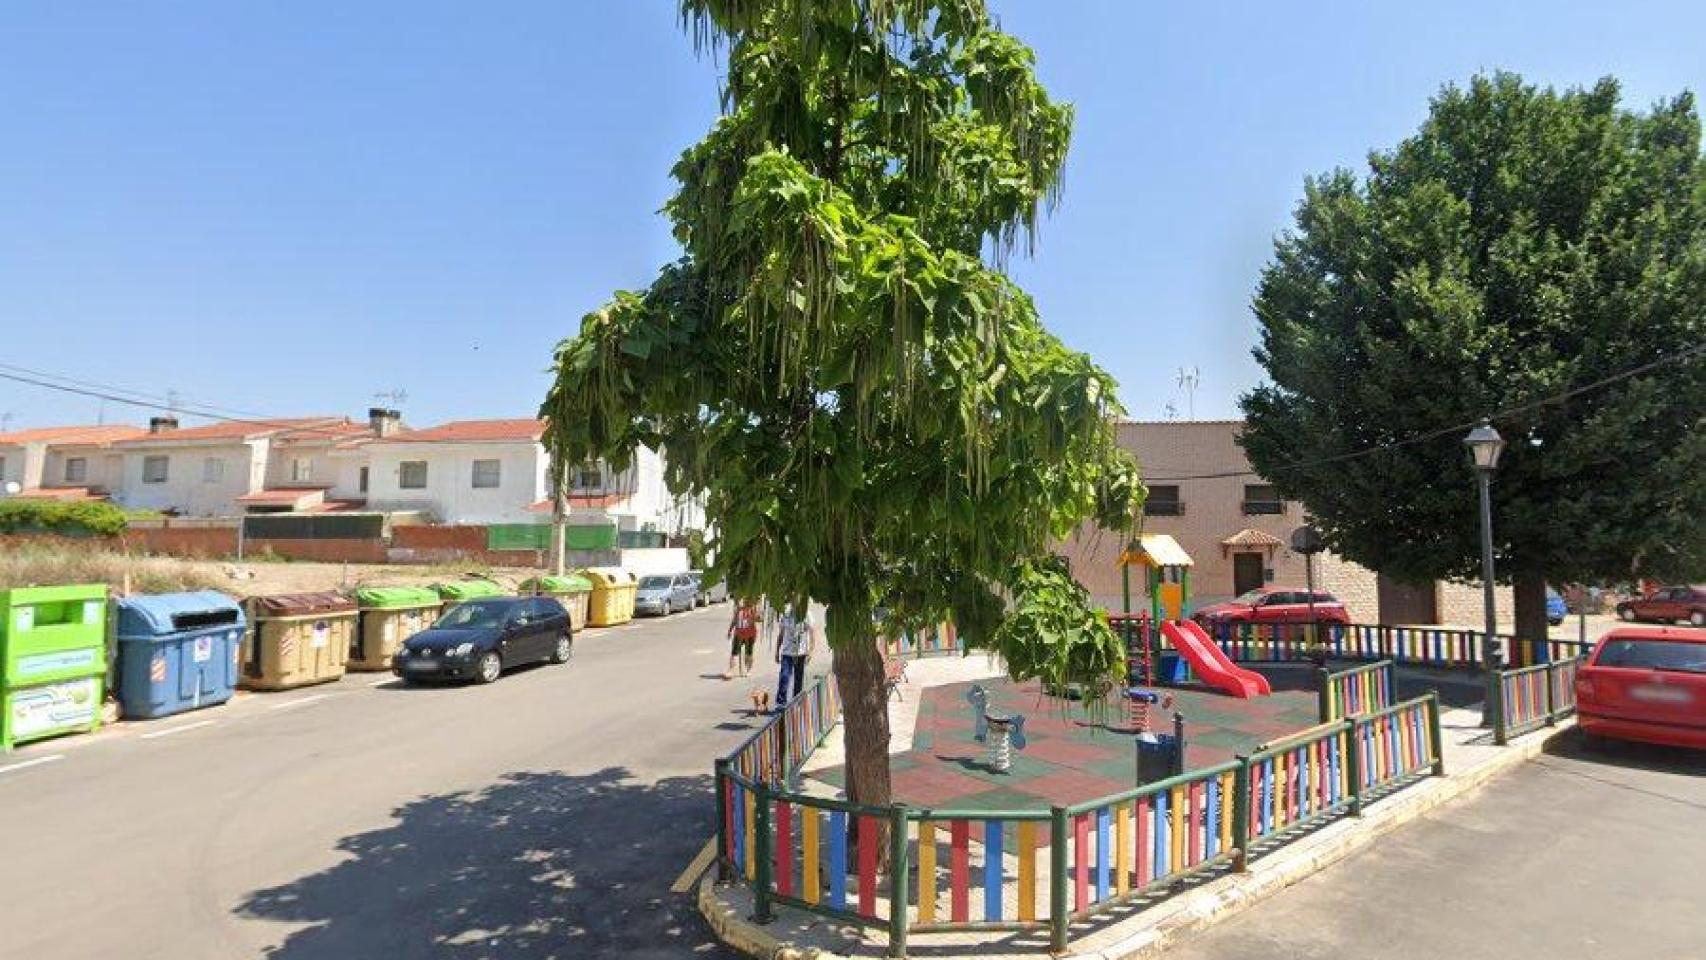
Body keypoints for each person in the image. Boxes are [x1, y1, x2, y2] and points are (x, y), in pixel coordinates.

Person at [773, 604, 817, 709]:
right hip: (787, 652)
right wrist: (777, 651)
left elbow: (812, 633)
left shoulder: (806, 614)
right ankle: (781, 703)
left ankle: (797, 703)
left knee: (798, 679)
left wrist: (810, 652)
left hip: (801, 653)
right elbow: (781, 634)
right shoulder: (786, 613)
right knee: (784, 676)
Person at [723, 598, 761, 679]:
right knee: (734, 653)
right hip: (739, 634)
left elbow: (759, 619)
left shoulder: (753, 609)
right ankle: (730, 670)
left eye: (746, 601)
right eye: (744, 601)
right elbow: (734, 620)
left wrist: (756, 615)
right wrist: (730, 630)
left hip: (750, 634)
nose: (745, 602)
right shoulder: (739, 609)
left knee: (748, 653)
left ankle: (748, 670)